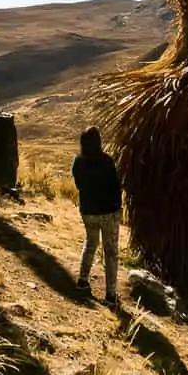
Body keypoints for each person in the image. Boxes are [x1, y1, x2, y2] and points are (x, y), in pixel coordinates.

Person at [72, 126, 122, 304]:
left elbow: (79, 185)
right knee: (110, 253)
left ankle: (83, 281)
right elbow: (116, 187)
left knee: (90, 243)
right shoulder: (107, 161)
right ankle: (110, 295)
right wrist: (118, 208)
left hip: (88, 212)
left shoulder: (78, 162)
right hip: (108, 212)